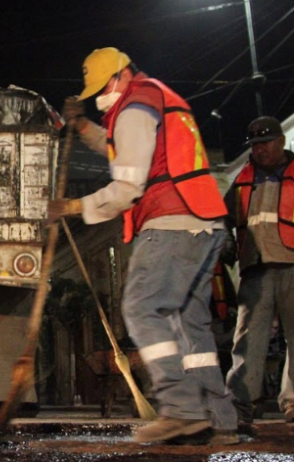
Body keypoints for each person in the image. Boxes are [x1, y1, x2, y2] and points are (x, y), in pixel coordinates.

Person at [49, 47, 238, 444]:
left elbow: (128, 186)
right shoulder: (156, 99)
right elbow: (126, 149)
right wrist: (84, 127)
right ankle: (221, 422)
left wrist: (73, 206)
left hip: (171, 220)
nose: (100, 96)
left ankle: (182, 411)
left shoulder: (134, 108)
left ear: (121, 76)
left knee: (142, 307)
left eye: (102, 87)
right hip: (203, 222)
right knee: (192, 329)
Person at [222, 116, 294, 426]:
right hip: (255, 269)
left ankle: (292, 404)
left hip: (292, 265)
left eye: (265, 143)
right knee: (247, 342)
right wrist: (225, 246)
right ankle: (240, 407)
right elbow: (223, 221)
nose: (259, 150)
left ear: (281, 141)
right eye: (254, 145)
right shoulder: (241, 179)